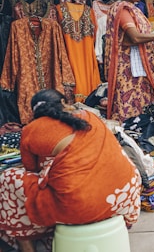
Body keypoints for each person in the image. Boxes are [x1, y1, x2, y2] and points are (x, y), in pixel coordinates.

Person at [0, 89, 141, 252]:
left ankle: (26, 246)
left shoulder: (31, 130)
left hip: (79, 208)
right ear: (63, 103)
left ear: (34, 112)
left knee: (8, 179)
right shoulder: (90, 117)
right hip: (123, 200)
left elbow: (32, 169)